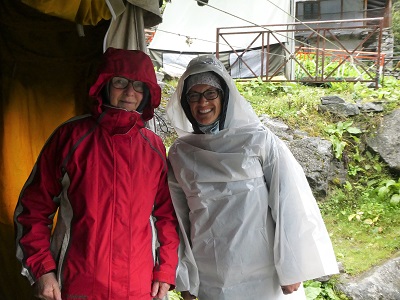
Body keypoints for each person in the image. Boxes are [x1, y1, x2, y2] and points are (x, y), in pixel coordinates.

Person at [166, 55, 339, 300]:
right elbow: (178, 218)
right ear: (185, 103)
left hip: (263, 270)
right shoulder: (180, 152)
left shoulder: (258, 140)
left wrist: (293, 267)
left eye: (210, 93)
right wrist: (186, 277)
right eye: (193, 95)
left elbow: (288, 200)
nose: (202, 102)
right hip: (210, 273)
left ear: (224, 96)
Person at [14, 47, 179, 300]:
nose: (129, 92)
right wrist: (42, 270)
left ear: (147, 93)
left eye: (138, 85)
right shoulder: (71, 137)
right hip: (77, 286)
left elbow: (165, 216)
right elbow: (33, 209)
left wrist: (165, 271)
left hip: (139, 288)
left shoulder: (154, 147)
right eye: (120, 82)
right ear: (104, 85)